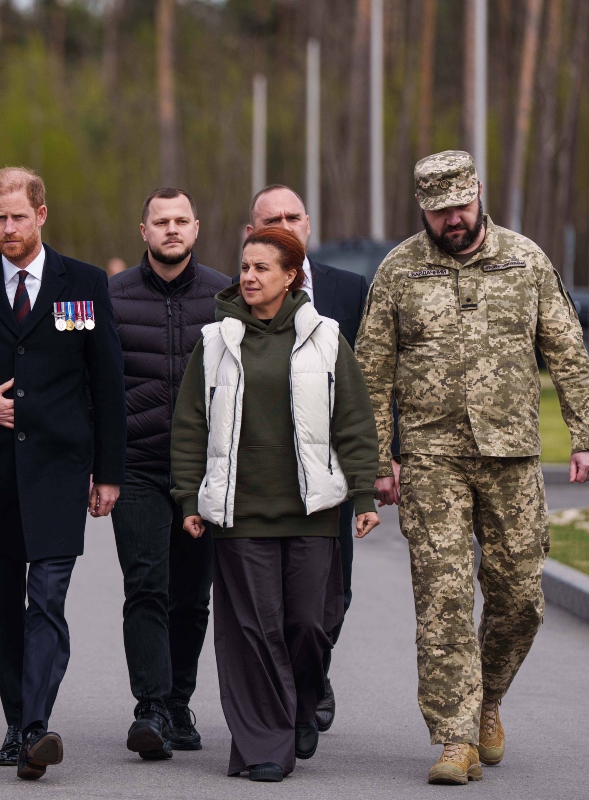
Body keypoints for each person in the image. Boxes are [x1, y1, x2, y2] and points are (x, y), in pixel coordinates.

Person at [356, 151, 589, 785]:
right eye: (440, 213)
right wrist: (380, 458)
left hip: (512, 455)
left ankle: (488, 698)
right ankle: (454, 738)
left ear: (479, 194)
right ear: (423, 210)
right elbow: (372, 372)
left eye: (462, 207)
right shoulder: (400, 272)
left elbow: (567, 352)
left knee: (521, 598)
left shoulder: (525, 261)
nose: (454, 221)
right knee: (443, 599)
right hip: (431, 459)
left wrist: (586, 436)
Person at [0, 166, 126, 781]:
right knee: (3, 608)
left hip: (61, 470)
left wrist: (108, 472)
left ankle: (36, 725)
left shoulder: (83, 286)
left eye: (19, 216)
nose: (9, 228)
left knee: (49, 602)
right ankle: (18, 723)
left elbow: (106, 383)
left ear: (42, 213)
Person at [171, 225, 380, 783]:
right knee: (253, 631)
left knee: (310, 623)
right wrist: (189, 495)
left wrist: (363, 491)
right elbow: (190, 425)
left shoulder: (327, 338)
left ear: (291, 277)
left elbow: (355, 421)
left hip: (312, 511)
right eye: (245, 266)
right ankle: (265, 745)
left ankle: (300, 706)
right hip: (240, 516)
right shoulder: (215, 342)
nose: (250, 276)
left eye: (263, 268)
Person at [108, 188, 231, 759]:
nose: (172, 230)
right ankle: (151, 707)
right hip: (137, 466)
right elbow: (95, 386)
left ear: (197, 227)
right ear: (144, 231)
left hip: (206, 475)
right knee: (146, 586)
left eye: (182, 220)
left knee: (191, 596)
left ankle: (180, 701)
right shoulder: (112, 298)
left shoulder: (226, 295)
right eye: (161, 221)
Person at [244, 183, 370, 732]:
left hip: (332, 470)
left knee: (329, 597)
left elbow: (373, 381)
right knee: (272, 598)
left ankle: (311, 674)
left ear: (309, 224)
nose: (284, 224)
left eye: (293, 216)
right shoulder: (238, 295)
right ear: (251, 232)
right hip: (262, 473)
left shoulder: (348, 289)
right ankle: (290, 698)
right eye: (271, 218)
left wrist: (379, 464)